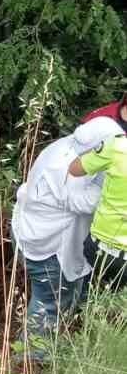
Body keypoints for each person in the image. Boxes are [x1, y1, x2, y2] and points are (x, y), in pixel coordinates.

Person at [11, 119, 122, 354]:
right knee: (50, 302)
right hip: (48, 245)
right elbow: (81, 202)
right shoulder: (67, 165)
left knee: (71, 293)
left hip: (34, 231)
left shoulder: (65, 145)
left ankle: (62, 342)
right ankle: (33, 360)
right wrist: (114, 190)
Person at [68, 123, 127, 290]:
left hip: (101, 248)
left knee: (89, 297)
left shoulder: (116, 147)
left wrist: (98, 154)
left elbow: (74, 169)